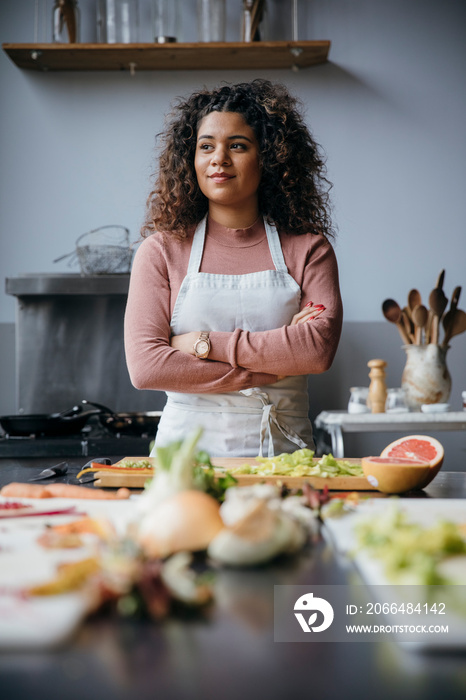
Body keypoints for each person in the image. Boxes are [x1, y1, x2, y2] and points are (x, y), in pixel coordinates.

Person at [124, 79, 343, 458]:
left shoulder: (309, 249)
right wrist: (271, 367)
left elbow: (316, 351)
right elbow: (147, 367)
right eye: (206, 146)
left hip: (284, 459)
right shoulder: (160, 252)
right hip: (185, 463)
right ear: (190, 160)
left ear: (269, 157)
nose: (218, 159)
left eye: (237, 146)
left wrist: (201, 344)